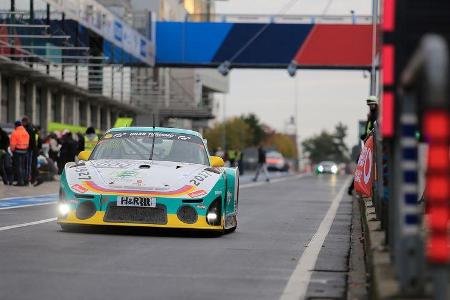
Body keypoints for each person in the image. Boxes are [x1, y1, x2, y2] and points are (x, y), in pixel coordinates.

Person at [348, 95, 379, 195]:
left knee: (362, 164)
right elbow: (368, 129)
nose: (370, 107)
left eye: (372, 105)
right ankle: (354, 187)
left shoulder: (377, 116)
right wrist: (364, 136)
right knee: (360, 164)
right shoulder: (370, 116)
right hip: (367, 143)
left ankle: (354, 187)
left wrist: (367, 136)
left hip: (372, 144)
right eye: (369, 105)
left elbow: (374, 129)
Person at [10, 120, 30, 186]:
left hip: (17, 151)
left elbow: (13, 144)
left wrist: (12, 150)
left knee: (18, 167)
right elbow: (27, 143)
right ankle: (25, 181)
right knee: (23, 167)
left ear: (16, 125)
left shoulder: (15, 133)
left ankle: (20, 182)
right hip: (24, 151)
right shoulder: (26, 132)